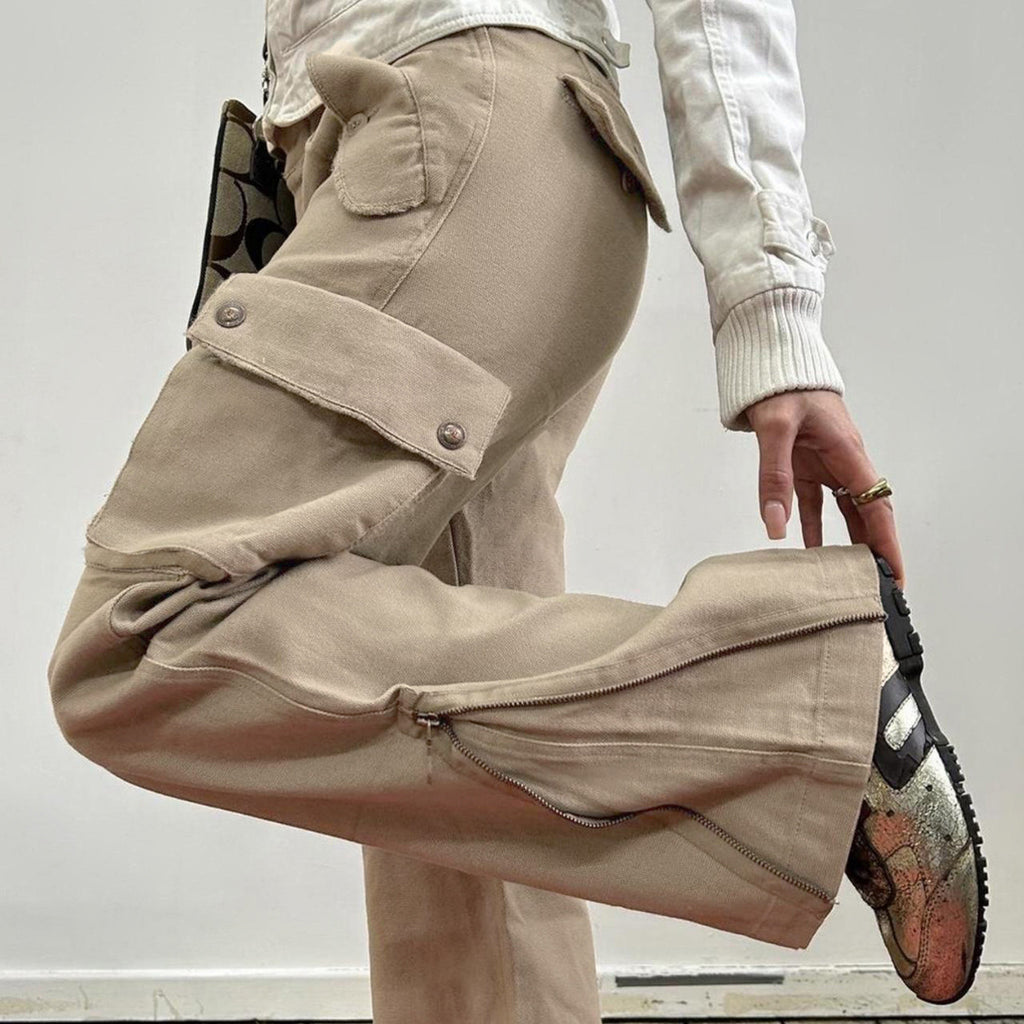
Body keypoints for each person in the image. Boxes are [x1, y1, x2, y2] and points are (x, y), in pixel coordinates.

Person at [46, 1, 986, 1018]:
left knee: (141, 631)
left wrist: (772, 309)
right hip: (451, 161)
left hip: (451, 137)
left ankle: (803, 702)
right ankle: (801, 712)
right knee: (458, 790)